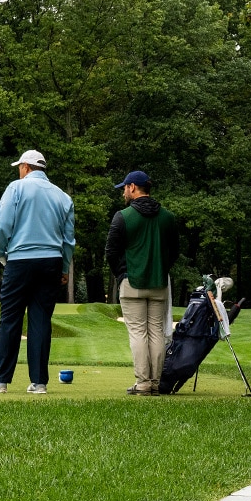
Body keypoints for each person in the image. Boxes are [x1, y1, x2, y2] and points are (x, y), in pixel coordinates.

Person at [0, 150, 75, 395]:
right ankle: (39, 383)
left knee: (10, 319)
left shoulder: (16, 188)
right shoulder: (63, 196)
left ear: (25, 166)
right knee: (41, 320)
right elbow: (68, 239)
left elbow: (2, 225)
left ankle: (0, 381)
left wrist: (0, 253)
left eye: (19, 167)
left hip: (20, 260)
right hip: (51, 262)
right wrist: (64, 267)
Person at [106, 170, 180, 396]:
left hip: (132, 283)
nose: (123, 193)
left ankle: (143, 383)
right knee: (156, 332)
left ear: (132, 187)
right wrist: (161, 268)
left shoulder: (123, 216)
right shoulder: (168, 217)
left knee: (138, 332)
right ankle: (156, 383)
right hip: (159, 284)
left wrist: (121, 275)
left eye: (124, 188)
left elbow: (111, 251)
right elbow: (174, 251)